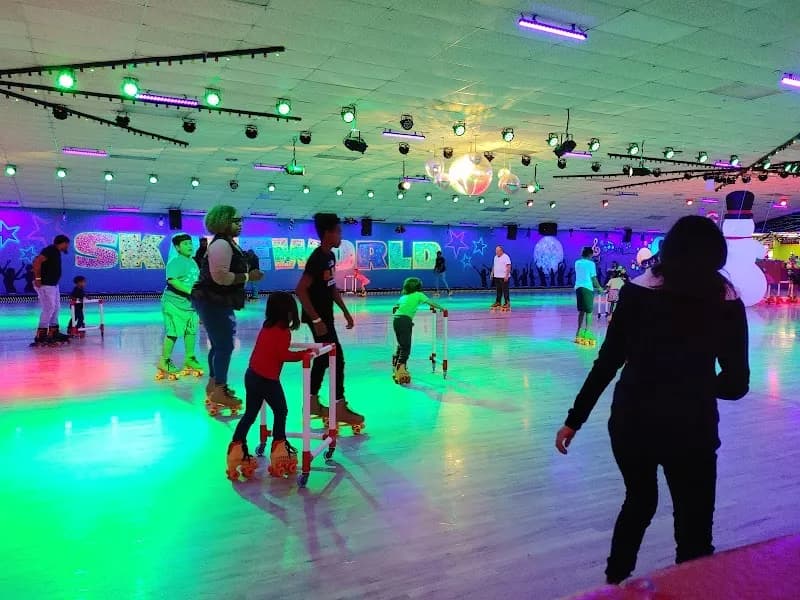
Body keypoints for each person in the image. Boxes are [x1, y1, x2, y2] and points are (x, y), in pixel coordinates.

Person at [555, 215, 750, 586]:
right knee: (693, 531)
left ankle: (614, 584)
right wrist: (695, 383)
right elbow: (737, 383)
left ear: (669, 250)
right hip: (692, 429)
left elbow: (608, 361)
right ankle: (690, 590)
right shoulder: (726, 301)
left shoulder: (637, 292)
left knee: (639, 502)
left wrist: (574, 420)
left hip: (633, 422)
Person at [226, 292, 306, 480]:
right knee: (281, 410)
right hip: (267, 380)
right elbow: (283, 355)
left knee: (250, 414)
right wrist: (304, 354)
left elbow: (275, 351)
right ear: (289, 312)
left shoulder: (267, 327)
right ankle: (279, 447)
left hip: (252, 374)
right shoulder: (283, 332)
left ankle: (236, 449)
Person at [295, 212, 364, 430]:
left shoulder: (329, 257)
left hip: (325, 317)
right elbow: (300, 290)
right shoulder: (317, 258)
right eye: (339, 231)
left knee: (324, 359)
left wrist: (345, 311)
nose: (341, 235)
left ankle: (312, 403)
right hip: (318, 319)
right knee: (337, 358)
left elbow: (331, 287)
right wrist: (315, 319)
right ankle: (338, 406)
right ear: (328, 233)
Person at [192, 206, 264, 411]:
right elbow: (221, 277)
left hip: (214, 300)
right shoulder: (221, 245)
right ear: (223, 222)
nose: (240, 223)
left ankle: (214, 385)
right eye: (235, 220)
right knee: (225, 346)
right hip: (212, 299)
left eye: (241, 220)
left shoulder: (227, 243)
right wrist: (250, 277)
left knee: (218, 345)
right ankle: (219, 390)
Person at [158, 234, 203, 380]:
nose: (190, 246)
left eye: (190, 243)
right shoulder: (175, 262)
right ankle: (164, 361)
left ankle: (190, 358)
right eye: (185, 244)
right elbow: (172, 281)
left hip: (190, 305)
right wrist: (191, 291)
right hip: (173, 303)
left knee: (191, 331)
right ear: (177, 247)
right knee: (173, 332)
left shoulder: (193, 262)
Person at [391, 277, 444, 384]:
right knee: (406, 347)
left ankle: (395, 366)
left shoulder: (403, 297)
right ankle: (400, 368)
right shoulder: (419, 295)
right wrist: (441, 308)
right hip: (405, 321)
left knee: (401, 344)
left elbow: (395, 308)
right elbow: (431, 303)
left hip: (396, 320)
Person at [30, 234, 71, 346]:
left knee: (56, 307)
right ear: (62, 243)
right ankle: (41, 335)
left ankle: (53, 332)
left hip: (53, 285)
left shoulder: (56, 252)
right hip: (45, 285)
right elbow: (37, 262)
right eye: (67, 244)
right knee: (49, 308)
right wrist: (38, 278)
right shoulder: (50, 250)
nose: (67, 246)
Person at [574, 247, 603, 344]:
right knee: (589, 311)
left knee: (581, 311)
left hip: (578, 288)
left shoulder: (577, 263)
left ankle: (578, 332)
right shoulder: (591, 264)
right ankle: (587, 332)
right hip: (587, 288)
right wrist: (599, 287)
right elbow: (593, 278)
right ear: (590, 255)